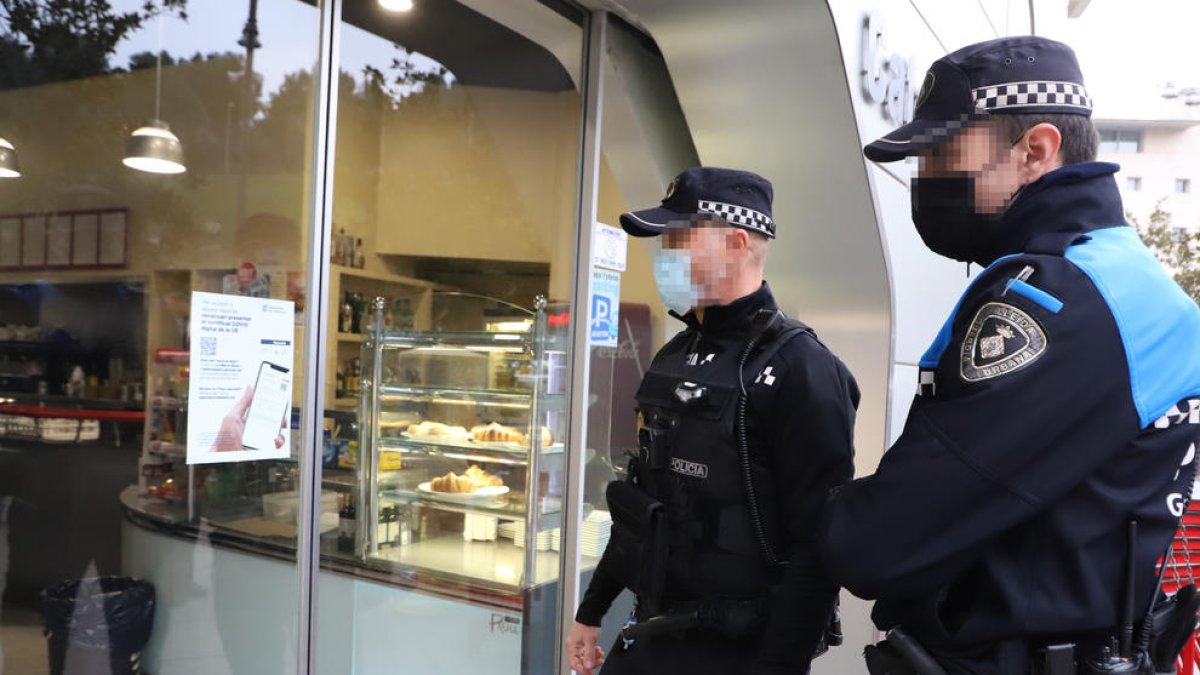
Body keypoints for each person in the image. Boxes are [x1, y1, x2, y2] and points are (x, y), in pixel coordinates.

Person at [821, 36, 1200, 674]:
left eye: (944, 153)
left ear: (1036, 151)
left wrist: (814, 519)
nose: (926, 177)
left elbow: (883, 541)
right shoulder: (1126, 282)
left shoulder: (1060, 300)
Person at [564, 167, 860, 675]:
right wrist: (591, 612)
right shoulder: (673, 356)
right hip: (651, 634)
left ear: (737, 243)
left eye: (680, 239)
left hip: (740, 651)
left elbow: (818, 547)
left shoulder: (802, 368)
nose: (666, 256)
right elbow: (640, 505)